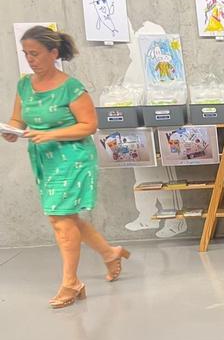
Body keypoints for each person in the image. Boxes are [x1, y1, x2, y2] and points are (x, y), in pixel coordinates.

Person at [3, 26, 130, 309]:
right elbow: (18, 120)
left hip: (73, 157)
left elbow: (89, 125)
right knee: (64, 218)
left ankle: (71, 283)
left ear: (54, 53)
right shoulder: (24, 85)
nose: (30, 59)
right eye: (26, 54)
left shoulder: (72, 87)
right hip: (44, 159)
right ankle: (110, 253)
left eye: (35, 53)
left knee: (60, 219)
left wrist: (50, 134)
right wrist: (11, 130)